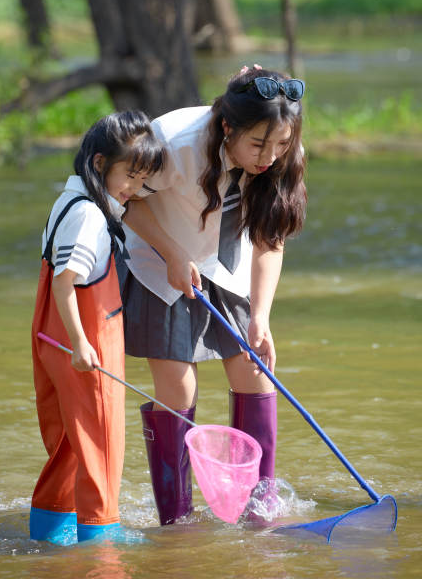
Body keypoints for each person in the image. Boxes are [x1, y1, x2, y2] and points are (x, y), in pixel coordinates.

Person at [121, 66, 307, 526]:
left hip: (226, 264)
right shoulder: (173, 143)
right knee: (179, 385)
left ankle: (258, 510)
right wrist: (170, 251)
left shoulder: (282, 150)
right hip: (157, 261)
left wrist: (260, 317)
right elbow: (124, 198)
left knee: (256, 372)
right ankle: (176, 518)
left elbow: (270, 240)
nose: (269, 156)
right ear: (227, 128)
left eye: (281, 144)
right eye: (258, 145)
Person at [29, 111, 166, 545]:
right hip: (83, 341)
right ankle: (101, 539)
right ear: (100, 163)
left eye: (142, 179)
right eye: (129, 174)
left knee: (72, 442)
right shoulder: (89, 217)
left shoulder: (69, 200)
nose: (132, 188)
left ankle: (51, 528)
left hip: (53, 335)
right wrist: (82, 344)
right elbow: (65, 282)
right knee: (102, 440)